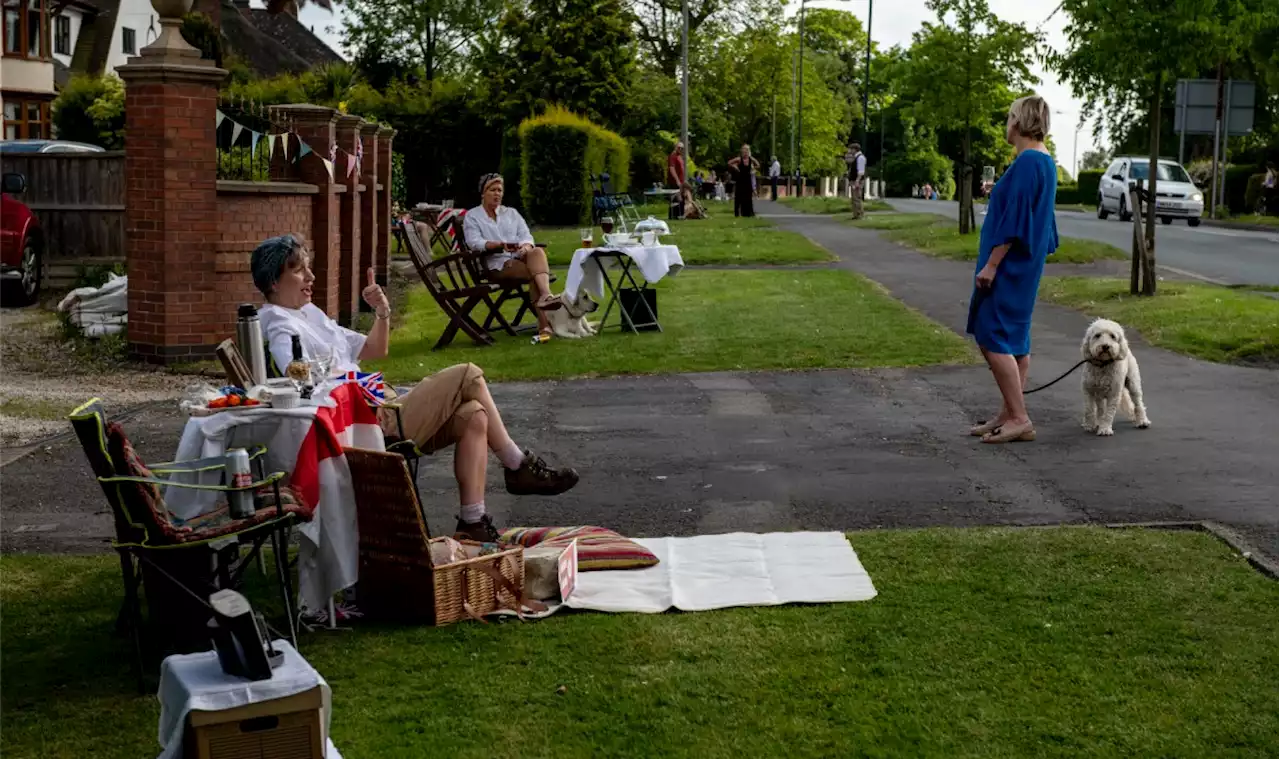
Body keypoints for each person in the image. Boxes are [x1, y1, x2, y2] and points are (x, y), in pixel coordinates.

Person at [251, 235, 580, 542]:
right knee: (469, 374)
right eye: (299, 270)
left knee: (474, 415)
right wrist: (335, 378)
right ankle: (517, 465)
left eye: (308, 267)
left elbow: (374, 350)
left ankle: (473, 522)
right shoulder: (279, 324)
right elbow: (297, 376)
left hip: (380, 402)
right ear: (274, 282)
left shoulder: (308, 313)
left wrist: (382, 311)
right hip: (367, 420)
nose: (310, 276)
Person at [966, 95, 1059, 445]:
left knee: (992, 334)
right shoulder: (1045, 162)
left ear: (1018, 122)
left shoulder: (1027, 163)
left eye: (1009, 117)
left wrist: (992, 264)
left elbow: (1016, 217)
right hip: (1025, 263)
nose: (1006, 123)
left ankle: (1019, 416)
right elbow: (1043, 220)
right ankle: (1008, 412)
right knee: (1016, 340)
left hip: (1008, 265)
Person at [463, 173, 562, 342]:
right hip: (497, 264)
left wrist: (525, 246)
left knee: (537, 251)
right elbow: (474, 243)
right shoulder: (472, 216)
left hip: (520, 257)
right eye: (492, 190)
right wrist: (499, 245)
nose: (497, 194)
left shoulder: (511, 213)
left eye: (500, 190)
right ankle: (545, 323)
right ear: (483, 193)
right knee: (535, 274)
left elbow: (526, 235)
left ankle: (545, 297)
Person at [727, 144, 760, 217]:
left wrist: (753, 169)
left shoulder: (751, 159)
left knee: (748, 196)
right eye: (744, 150)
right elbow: (729, 163)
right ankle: (737, 213)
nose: (745, 152)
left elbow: (758, 165)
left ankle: (748, 213)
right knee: (738, 196)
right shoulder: (739, 159)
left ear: (748, 151)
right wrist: (735, 167)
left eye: (746, 150)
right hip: (740, 179)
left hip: (748, 180)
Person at [845, 142, 867, 219]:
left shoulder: (860, 158)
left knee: (857, 197)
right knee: (854, 198)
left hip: (857, 181)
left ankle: (859, 214)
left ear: (855, 149)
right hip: (854, 180)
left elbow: (861, 171)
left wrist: (857, 181)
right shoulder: (856, 157)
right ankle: (856, 214)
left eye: (851, 149)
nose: (850, 151)